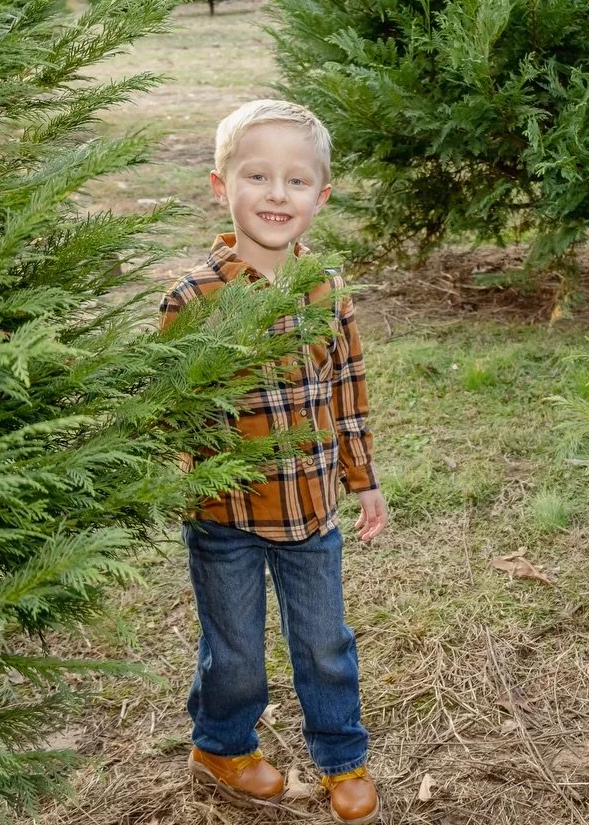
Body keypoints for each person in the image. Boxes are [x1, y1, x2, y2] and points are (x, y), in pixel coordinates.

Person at [158, 100, 389, 823]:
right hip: (224, 516)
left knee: (324, 644)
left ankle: (342, 759)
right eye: (257, 176)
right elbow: (171, 408)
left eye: (296, 180)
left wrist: (363, 478)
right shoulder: (195, 297)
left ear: (322, 196)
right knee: (233, 650)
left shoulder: (327, 288)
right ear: (220, 185)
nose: (277, 194)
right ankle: (222, 747)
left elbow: (347, 388)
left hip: (311, 510)